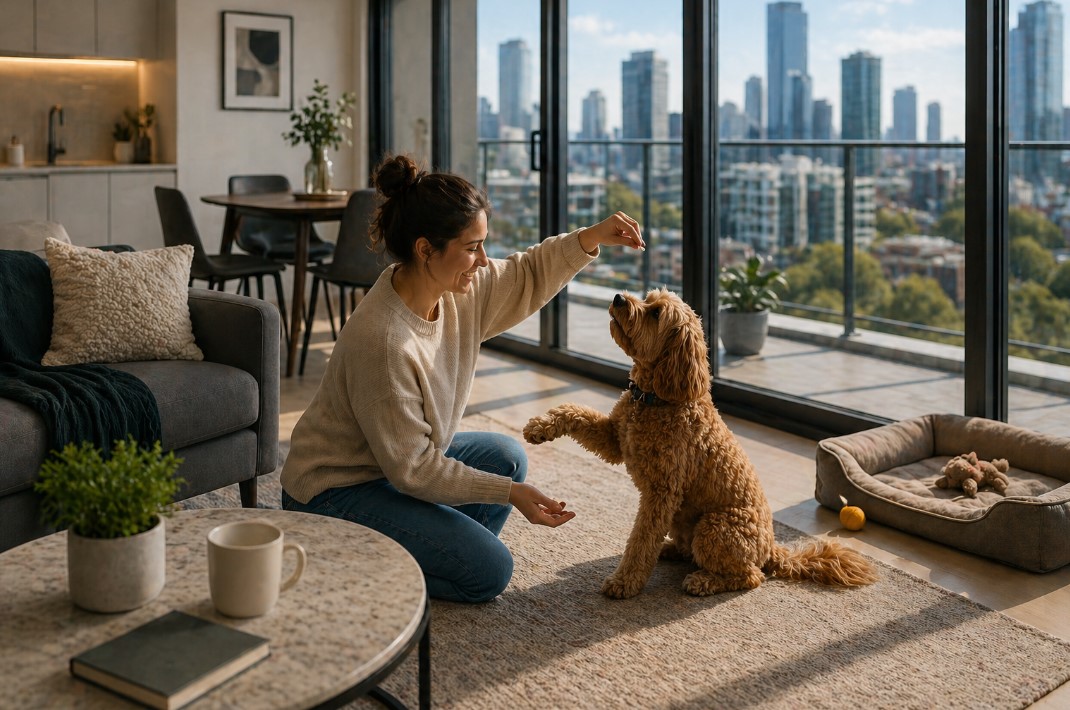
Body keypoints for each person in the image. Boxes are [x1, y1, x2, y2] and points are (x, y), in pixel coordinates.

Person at [281, 154, 644, 603]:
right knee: (489, 571)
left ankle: (417, 542)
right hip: (332, 492)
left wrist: (592, 237)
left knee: (506, 455)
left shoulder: (453, 289)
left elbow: (526, 272)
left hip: (391, 466)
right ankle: (351, 564)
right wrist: (507, 494)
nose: (483, 260)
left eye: (483, 244)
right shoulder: (384, 342)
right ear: (425, 249)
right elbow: (414, 469)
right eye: (472, 247)